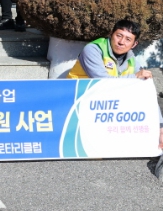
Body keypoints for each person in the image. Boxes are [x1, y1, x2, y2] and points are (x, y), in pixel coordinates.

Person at [66, 20, 163, 154]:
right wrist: (134, 77)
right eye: (119, 35)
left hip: (103, 105)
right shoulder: (93, 49)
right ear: (111, 34)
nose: (121, 42)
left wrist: (160, 126)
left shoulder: (132, 60)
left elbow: (145, 93)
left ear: (134, 44)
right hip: (75, 102)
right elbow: (102, 83)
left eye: (128, 39)